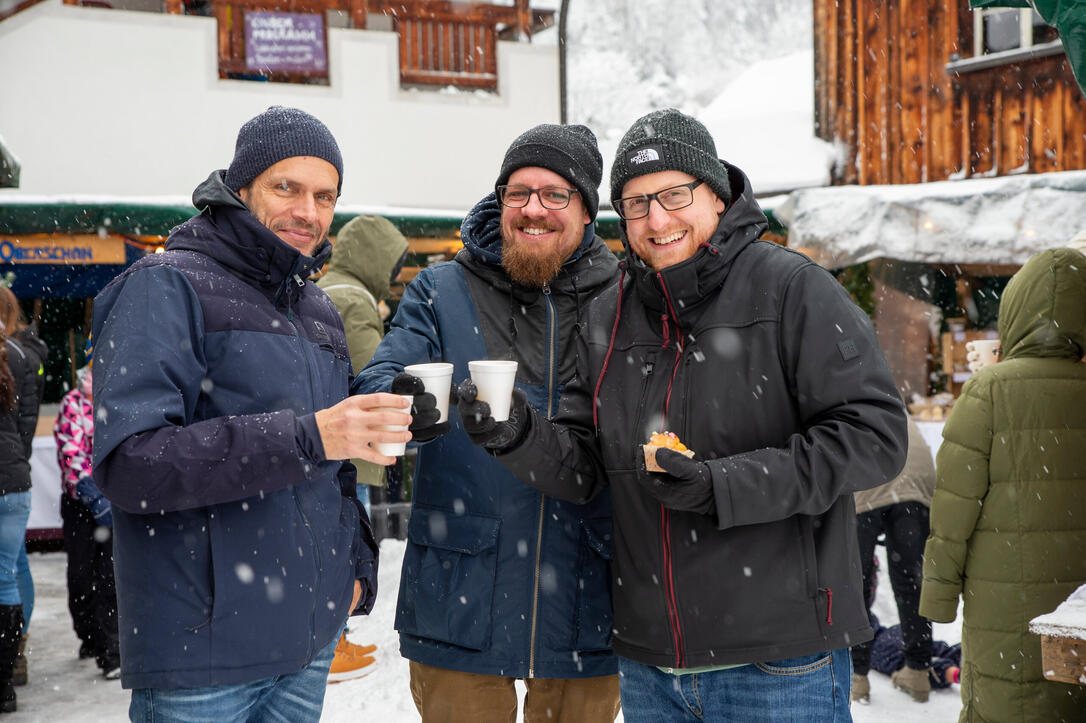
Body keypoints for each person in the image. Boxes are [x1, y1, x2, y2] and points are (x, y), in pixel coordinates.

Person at [455, 108, 908, 721]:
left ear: (716, 196)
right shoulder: (609, 314)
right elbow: (589, 465)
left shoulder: (792, 289)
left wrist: (721, 485)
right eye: (636, 204)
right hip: (651, 670)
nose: (656, 220)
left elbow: (875, 437)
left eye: (674, 195)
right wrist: (517, 435)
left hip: (776, 663)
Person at [89, 106, 412, 722]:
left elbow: (339, 467)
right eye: (286, 187)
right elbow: (131, 464)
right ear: (241, 188)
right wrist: (306, 436)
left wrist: (357, 572)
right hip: (203, 658)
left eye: (325, 195)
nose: (308, 212)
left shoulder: (318, 309)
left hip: (308, 644)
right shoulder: (164, 285)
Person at [354, 123, 622, 722]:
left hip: (587, 597)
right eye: (517, 192)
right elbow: (384, 369)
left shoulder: (625, 297)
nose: (533, 209)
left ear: (586, 210)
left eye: (555, 194)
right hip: (461, 592)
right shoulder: (441, 289)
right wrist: (401, 398)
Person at [920, 247, 1086, 722]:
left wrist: (937, 595)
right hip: (1078, 610)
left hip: (1004, 608)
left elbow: (953, 507)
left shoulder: (989, 390)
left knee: (1005, 706)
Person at [317, 214, 409, 681]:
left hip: (327, 446)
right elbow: (375, 371)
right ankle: (332, 643)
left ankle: (337, 639)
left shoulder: (329, 286)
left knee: (333, 541)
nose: (393, 276)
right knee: (345, 544)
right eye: (390, 265)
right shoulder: (353, 300)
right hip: (350, 447)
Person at [850, 415, 935, 704]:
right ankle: (918, 671)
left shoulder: (842, 395)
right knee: (912, 580)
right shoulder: (893, 403)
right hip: (916, 481)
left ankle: (856, 676)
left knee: (855, 579)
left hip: (868, 480)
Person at [55, 363, 120, 679]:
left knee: (111, 575)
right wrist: (92, 492)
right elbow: (71, 454)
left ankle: (112, 651)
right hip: (80, 503)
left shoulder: (117, 400)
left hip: (113, 499)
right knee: (81, 574)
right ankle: (91, 636)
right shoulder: (72, 403)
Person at [0, 287, 47, 688]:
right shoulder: (24, 356)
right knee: (13, 568)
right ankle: (15, 654)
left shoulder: (15, 356)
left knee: (8, 570)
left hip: (10, 473)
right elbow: (27, 420)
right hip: (14, 475)